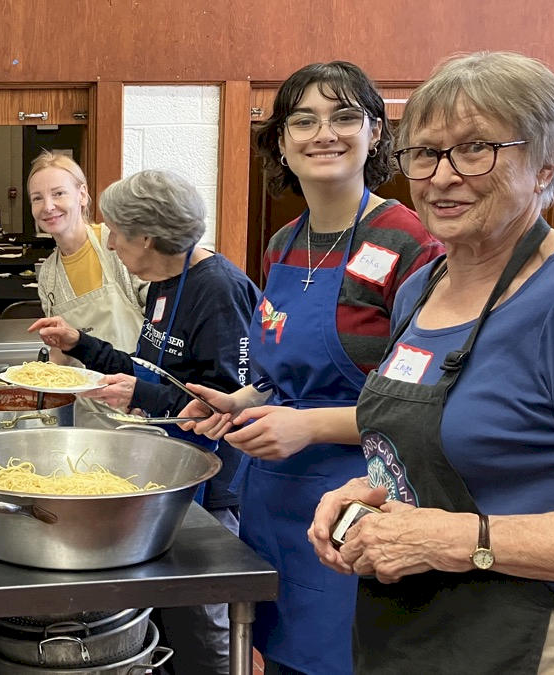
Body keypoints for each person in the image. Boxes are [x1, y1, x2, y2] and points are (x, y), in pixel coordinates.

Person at [305, 51, 554, 675]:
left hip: (530, 636)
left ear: (546, 167)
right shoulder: (421, 289)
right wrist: (371, 495)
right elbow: (441, 451)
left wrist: (457, 539)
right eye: (426, 153)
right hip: (410, 625)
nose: (441, 176)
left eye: (475, 149)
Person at [180, 61, 443, 675]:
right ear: (282, 141)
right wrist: (241, 402)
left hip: (364, 501)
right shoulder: (282, 244)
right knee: (280, 655)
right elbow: (281, 375)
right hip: (274, 499)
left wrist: (309, 427)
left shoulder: (411, 245)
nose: (324, 133)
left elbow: (429, 408)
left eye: (345, 116)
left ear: (377, 132)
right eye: (304, 120)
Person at [30, 169, 259, 675]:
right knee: (171, 615)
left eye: (115, 232)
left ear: (147, 237)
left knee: (203, 622)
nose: (108, 244)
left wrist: (144, 395)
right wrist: (80, 345)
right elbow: (150, 367)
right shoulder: (162, 284)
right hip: (170, 468)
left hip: (212, 483)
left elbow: (230, 404)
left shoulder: (218, 290)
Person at [28, 150, 148, 427]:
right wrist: (40, 382)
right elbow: (61, 352)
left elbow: (163, 328)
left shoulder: (117, 246)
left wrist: (151, 393)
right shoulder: (48, 274)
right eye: (37, 198)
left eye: (58, 193)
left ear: (82, 195)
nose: (48, 207)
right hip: (85, 412)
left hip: (137, 403)